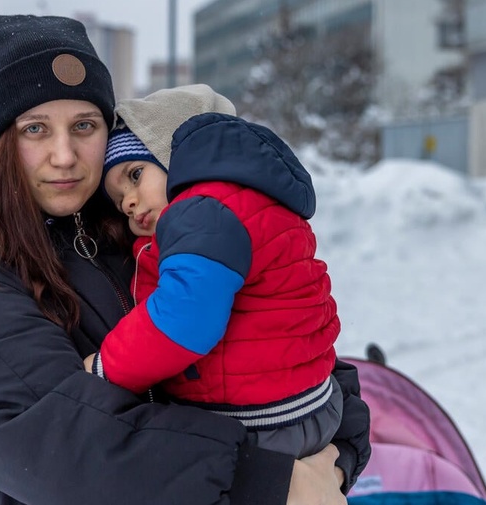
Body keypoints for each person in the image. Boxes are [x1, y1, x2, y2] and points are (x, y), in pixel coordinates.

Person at [0, 14, 369, 505]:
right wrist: (273, 482)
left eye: (84, 125)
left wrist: (336, 460)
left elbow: (293, 339)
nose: (65, 155)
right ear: (1, 145)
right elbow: (63, 450)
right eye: (35, 129)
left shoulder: (142, 229)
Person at [87, 84, 348, 463]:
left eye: (135, 174)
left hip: (262, 423)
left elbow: (183, 319)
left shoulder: (203, 211)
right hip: (309, 403)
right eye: (117, 200)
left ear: (172, 154)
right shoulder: (248, 200)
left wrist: (104, 367)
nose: (128, 201)